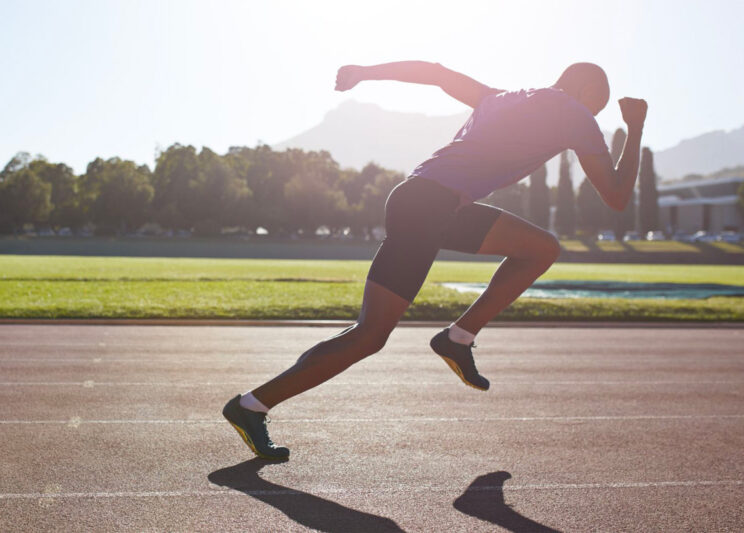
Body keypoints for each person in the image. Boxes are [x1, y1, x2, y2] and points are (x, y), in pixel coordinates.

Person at [222, 60, 648, 460]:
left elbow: (437, 73)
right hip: (431, 207)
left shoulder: (500, 96)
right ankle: (252, 405)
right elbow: (615, 196)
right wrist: (634, 127)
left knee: (541, 248)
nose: (593, 119)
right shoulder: (575, 112)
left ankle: (458, 338)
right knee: (369, 336)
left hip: (426, 200)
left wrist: (366, 72)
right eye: (598, 105)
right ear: (587, 88)